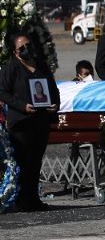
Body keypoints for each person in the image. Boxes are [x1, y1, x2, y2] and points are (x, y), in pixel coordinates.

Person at [0, 31, 60, 212]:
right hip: (22, 122)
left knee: (35, 162)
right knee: (23, 162)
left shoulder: (41, 65)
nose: (26, 49)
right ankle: (21, 200)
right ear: (14, 52)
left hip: (41, 120)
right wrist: (21, 106)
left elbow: (53, 89)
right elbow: (2, 92)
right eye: (21, 48)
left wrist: (54, 104)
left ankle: (33, 199)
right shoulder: (11, 68)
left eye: (28, 45)